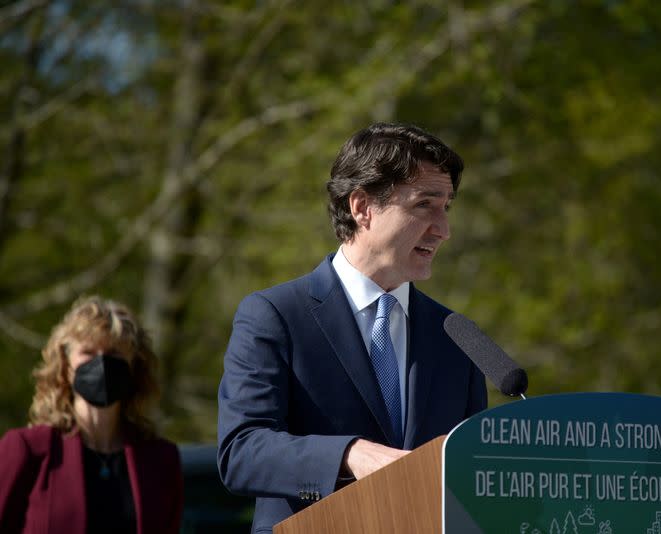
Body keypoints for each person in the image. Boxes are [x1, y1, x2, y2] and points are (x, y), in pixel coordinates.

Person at [217, 122, 488, 531]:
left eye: (446, 206)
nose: (444, 229)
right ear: (361, 207)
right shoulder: (274, 316)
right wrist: (351, 455)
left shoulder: (454, 334)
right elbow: (242, 451)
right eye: (423, 205)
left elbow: (471, 473)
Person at [0, 296, 184, 534]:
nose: (102, 363)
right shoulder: (28, 450)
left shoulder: (160, 459)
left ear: (134, 367)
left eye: (114, 353)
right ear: (66, 367)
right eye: (88, 352)